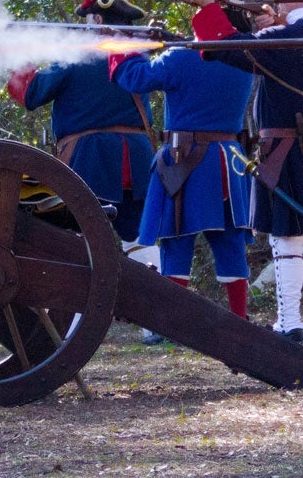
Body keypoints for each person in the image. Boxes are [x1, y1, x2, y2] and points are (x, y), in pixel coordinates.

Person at [188, 0, 303, 347]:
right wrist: (254, 20)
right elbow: (255, 47)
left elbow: (234, 51)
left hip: (287, 147)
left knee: (286, 239)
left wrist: (210, 9)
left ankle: (289, 324)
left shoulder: (296, 37)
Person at [110, 22, 256, 329]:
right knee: (230, 244)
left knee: (176, 241)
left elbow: (135, 78)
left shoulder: (181, 56)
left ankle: (172, 324)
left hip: (185, 160)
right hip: (229, 161)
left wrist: (126, 46)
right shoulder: (244, 58)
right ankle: (239, 320)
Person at [8, 0, 158, 270]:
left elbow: (31, 93)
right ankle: (159, 299)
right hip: (136, 162)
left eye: (86, 20)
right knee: (138, 239)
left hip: (91, 159)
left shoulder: (79, 56)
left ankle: (79, 312)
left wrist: (21, 56)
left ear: (98, 20)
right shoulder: (139, 55)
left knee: (81, 238)